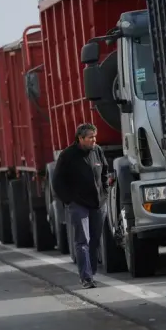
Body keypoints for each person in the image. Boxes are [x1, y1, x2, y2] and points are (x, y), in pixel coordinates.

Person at [52, 123, 109, 289]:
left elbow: (104, 172)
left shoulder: (97, 151)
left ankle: (92, 273)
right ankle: (86, 277)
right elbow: (57, 182)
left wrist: (104, 192)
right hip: (78, 205)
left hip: (98, 203)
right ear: (80, 138)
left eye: (94, 136)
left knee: (95, 240)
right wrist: (69, 200)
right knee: (83, 240)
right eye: (90, 137)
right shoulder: (67, 155)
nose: (94, 140)